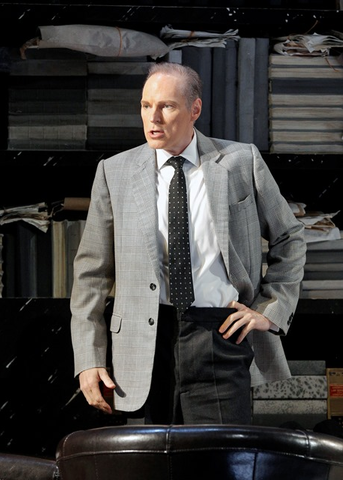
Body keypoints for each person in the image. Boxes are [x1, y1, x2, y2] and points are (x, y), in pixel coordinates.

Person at [70, 62, 306, 425]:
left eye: (167, 106)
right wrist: (89, 357)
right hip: (144, 341)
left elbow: (289, 236)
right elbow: (91, 274)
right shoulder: (114, 171)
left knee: (219, 461)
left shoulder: (241, 162)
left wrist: (270, 308)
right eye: (146, 105)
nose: (154, 117)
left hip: (220, 333)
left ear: (194, 110)